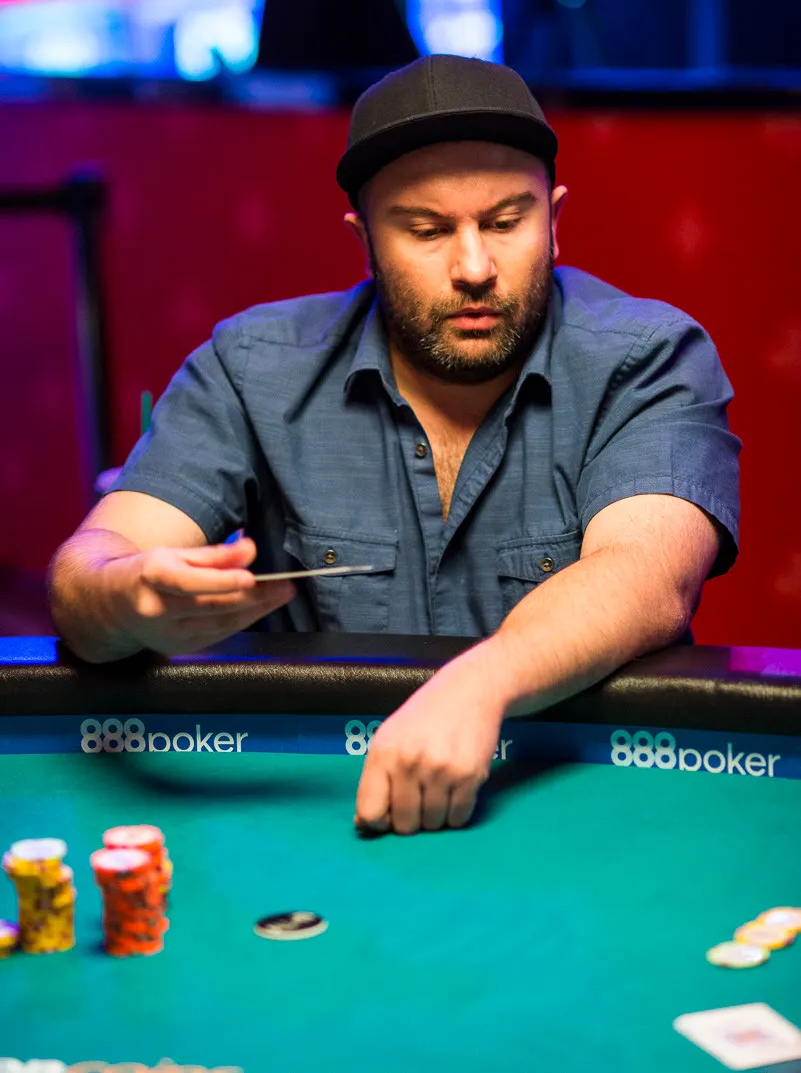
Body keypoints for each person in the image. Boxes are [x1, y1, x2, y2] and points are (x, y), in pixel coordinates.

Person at [48, 54, 740, 837]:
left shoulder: (650, 355)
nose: (474, 268)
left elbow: (646, 575)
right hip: (321, 808)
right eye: (426, 230)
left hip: (582, 794)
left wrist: (478, 685)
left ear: (554, 220)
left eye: (505, 222)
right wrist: (128, 599)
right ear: (365, 240)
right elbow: (90, 570)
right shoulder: (249, 366)